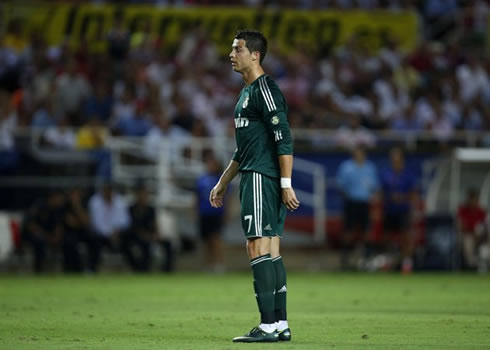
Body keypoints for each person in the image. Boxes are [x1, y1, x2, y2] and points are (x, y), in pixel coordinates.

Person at [209, 30, 299, 343]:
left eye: (238, 49)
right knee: (271, 247)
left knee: (256, 245)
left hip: (262, 176)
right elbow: (243, 148)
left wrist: (286, 184)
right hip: (255, 172)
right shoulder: (246, 92)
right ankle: (281, 324)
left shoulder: (265, 88)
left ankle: (268, 326)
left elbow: (284, 138)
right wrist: (223, 181)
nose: (231, 55)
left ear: (255, 54)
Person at [336, 146, 379, 270]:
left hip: (365, 203)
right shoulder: (346, 167)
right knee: (348, 232)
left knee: (367, 232)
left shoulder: (370, 168)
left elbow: (375, 188)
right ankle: (345, 260)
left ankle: (368, 259)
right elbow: (341, 185)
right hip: (351, 202)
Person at [379, 147, 416, 273]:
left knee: (406, 237)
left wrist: (402, 198)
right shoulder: (386, 174)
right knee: (387, 238)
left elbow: (413, 194)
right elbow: (382, 193)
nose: (395, 160)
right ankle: (388, 261)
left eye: (397, 157)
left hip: (404, 210)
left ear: (402, 159)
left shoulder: (408, 174)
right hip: (389, 210)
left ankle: (407, 264)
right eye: (392, 158)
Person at [88, 182, 130, 272]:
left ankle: (138, 269)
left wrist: (116, 231)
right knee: (93, 240)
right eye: (106, 192)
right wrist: (110, 233)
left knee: (129, 239)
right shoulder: (95, 202)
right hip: (101, 235)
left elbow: (125, 221)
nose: (108, 194)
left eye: (110, 192)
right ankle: (92, 269)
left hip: (118, 234)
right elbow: (96, 223)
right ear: (102, 192)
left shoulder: (119, 201)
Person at [196, 151, 226, 273]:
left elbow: (227, 197)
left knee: (215, 239)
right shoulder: (201, 179)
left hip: (216, 213)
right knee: (205, 240)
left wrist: (226, 213)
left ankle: (219, 264)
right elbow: (197, 197)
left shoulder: (221, 179)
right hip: (204, 213)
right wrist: (195, 211)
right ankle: (208, 265)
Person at [457, 188, 486, 270]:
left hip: (481, 237)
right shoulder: (462, 210)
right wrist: (472, 232)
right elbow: (461, 226)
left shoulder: (481, 211)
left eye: (475, 199)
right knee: (468, 241)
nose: (473, 201)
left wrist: (481, 234)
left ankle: (483, 264)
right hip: (467, 235)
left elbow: (484, 226)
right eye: (471, 198)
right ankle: (474, 265)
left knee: (485, 247)